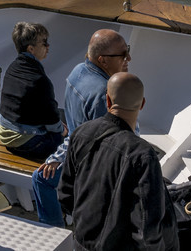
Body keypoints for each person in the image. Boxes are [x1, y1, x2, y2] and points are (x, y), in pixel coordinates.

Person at [58, 72, 179, 251]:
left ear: (107, 100)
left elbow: (65, 195)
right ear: (142, 104)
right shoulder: (143, 155)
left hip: (82, 244)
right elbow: (147, 228)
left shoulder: (81, 133)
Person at [31, 28, 132, 225]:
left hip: (75, 149)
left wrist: (58, 157)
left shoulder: (78, 71)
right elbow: (111, 148)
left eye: (127, 49)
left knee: (40, 178)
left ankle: (54, 234)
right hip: (90, 164)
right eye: (123, 53)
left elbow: (78, 132)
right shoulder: (105, 95)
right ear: (103, 60)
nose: (129, 57)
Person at [0, 22, 64, 162]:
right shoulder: (39, 80)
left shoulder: (13, 67)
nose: (48, 46)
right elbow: (51, 120)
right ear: (31, 49)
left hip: (4, 133)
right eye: (44, 43)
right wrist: (63, 131)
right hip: (24, 141)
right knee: (68, 145)